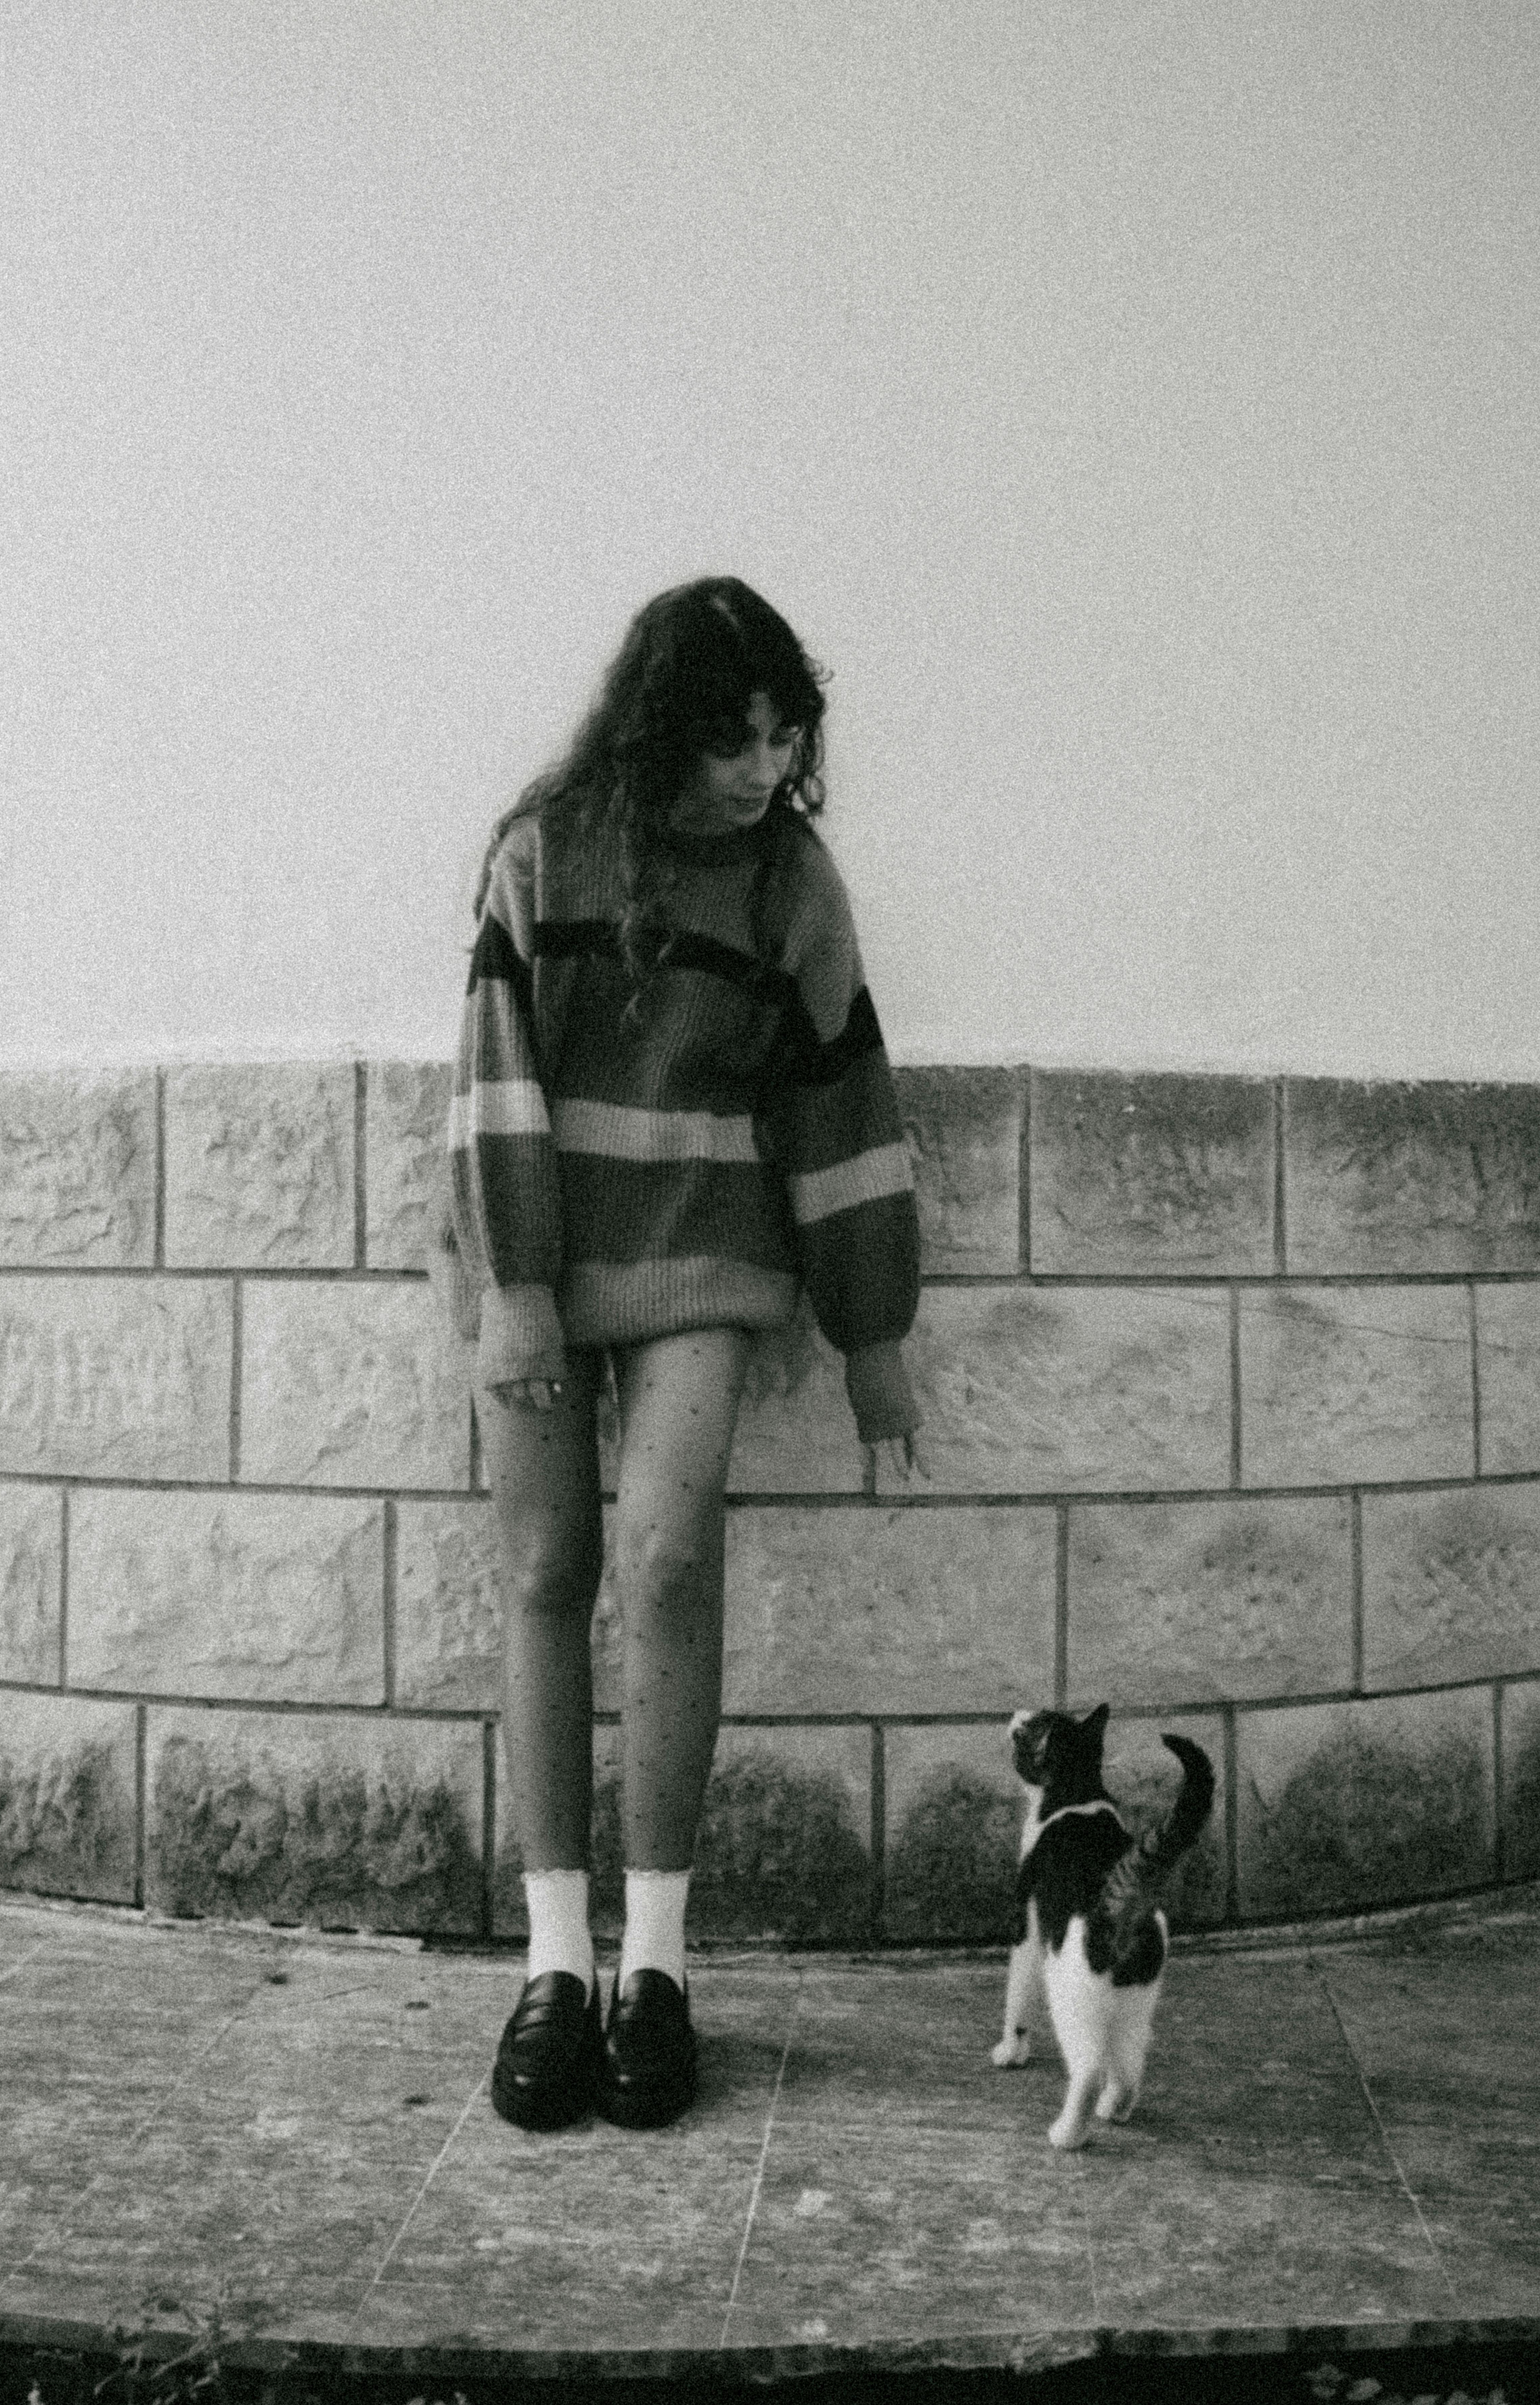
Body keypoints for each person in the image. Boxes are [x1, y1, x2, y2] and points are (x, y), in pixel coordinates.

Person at [441, 576, 923, 2133]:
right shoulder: (546, 852)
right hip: (537, 1256)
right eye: (731, 738)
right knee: (544, 1574)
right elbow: (494, 1082)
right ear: (663, 729)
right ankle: (554, 1969)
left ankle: (656, 1967)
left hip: (706, 1254)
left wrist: (873, 1337)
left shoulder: (793, 880)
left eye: (785, 736)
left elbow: (841, 1100)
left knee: (666, 1561)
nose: (762, 767)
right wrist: (516, 1297)